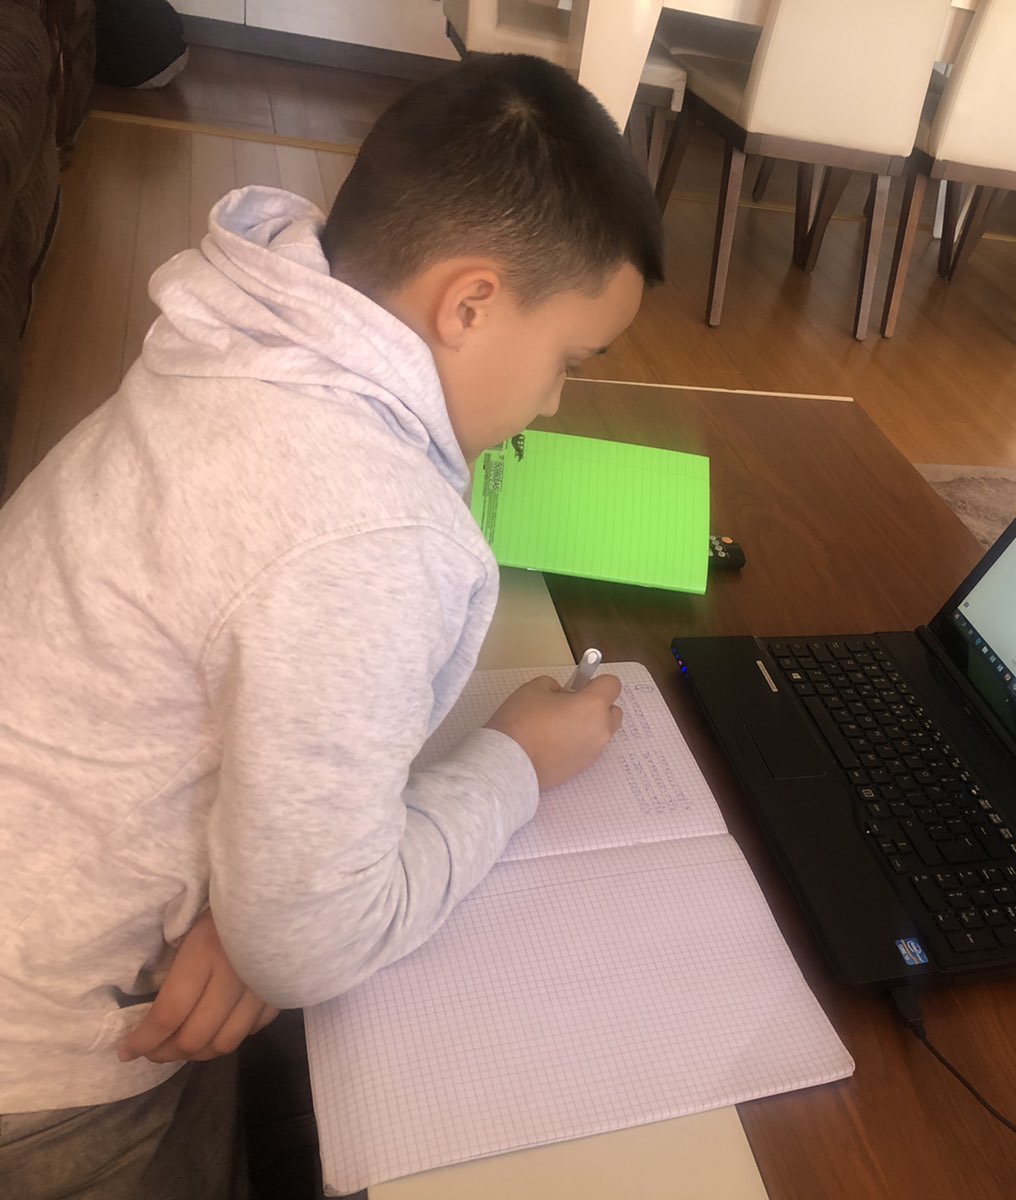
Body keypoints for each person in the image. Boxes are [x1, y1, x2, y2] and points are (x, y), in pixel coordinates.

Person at [0, 53, 663, 1198]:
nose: (552, 404)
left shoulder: (251, 336)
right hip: (51, 1067)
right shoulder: (367, 529)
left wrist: (260, 912)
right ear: (468, 304)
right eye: (566, 362)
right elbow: (315, 941)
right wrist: (516, 758)